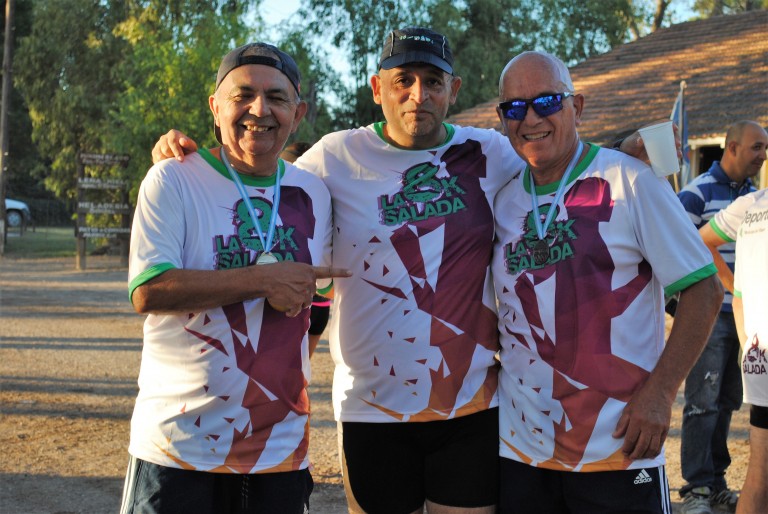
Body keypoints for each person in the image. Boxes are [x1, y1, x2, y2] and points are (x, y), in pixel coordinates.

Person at [150, 28, 664, 514]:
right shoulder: (334, 157)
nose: (418, 95)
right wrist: (190, 158)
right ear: (378, 89)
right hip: (371, 407)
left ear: (453, 90)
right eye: (403, 81)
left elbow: (560, 156)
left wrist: (628, 150)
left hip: (470, 408)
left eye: (433, 81)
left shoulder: (489, 152)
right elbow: (257, 173)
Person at [120, 42, 350, 514]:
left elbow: (321, 295)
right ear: (215, 106)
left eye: (277, 97)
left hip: (278, 450)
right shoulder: (173, 179)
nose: (259, 110)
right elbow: (148, 290)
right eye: (243, 95)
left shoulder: (313, 191)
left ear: (298, 113)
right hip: (179, 446)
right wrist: (262, 281)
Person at [491, 50, 723, 513]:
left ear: (576, 107)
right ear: (502, 119)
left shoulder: (630, 181)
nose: (530, 118)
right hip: (522, 450)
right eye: (515, 108)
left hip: (618, 446)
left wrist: (661, 394)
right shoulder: (502, 198)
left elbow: (704, 290)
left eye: (547, 102)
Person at [676, 120, 767, 514]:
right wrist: (732, 286)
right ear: (731, 147)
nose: (763, 155)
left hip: (747, 321)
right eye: (756, 147)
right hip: (710, 316)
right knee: (703, 401)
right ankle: (694, 489)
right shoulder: (696, 192)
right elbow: (681, 246)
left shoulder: (753, 196)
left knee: (729, 400)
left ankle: (715, 483)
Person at [704, 189, 768, 514]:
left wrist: (738, 291)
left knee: (759, 476)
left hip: (759, 357)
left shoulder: (752, 204)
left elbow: (700, 241)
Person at [280, 141, 332, 357]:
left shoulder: (279, 194)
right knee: (300, 367)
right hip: (320, 301)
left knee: (292, 368)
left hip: (304, 301)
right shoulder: (321, 195)